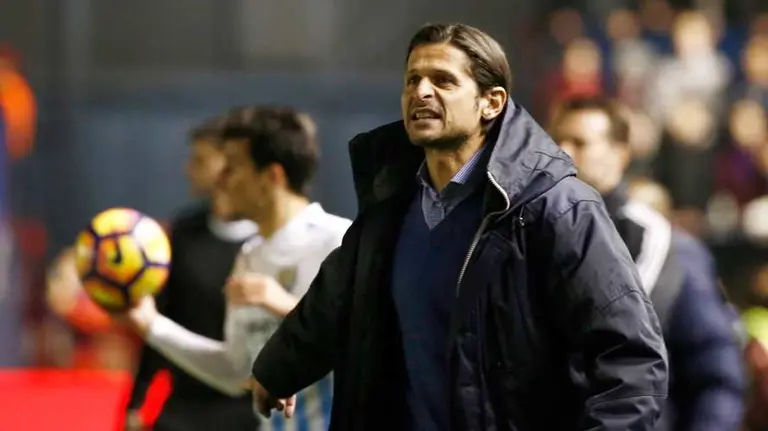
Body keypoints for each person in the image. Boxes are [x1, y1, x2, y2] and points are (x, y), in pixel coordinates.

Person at [250, 23, 668, 430]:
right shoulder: (389, 208)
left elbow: (630, 358)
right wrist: (276, 370)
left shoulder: (557, 207)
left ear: (492, 102)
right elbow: (332, 302)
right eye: (412, 79)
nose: (421, 92)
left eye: (443, 80)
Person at [124, 107, 351, 431]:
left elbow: (374, 345)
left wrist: (285, 306)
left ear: (272, 177)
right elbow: (236, 372)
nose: (219, 180)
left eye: (231, 168)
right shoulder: (249, 257)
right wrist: (152, 326)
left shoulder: (341, 241)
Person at [550, 96, 746, 431]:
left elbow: (716, 379)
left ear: (620, 154)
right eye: (557, 142)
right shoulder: (532, 237)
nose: (564, 153)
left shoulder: (668, 249)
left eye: (580, 143)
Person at [122, 114, 259, 430]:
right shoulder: (183, 233)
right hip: (185, 410)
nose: (188, 169)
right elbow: (162, 318)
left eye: (199, 160)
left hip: (251, 413)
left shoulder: (270, 240)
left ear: (229, 165)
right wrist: (137, 400)